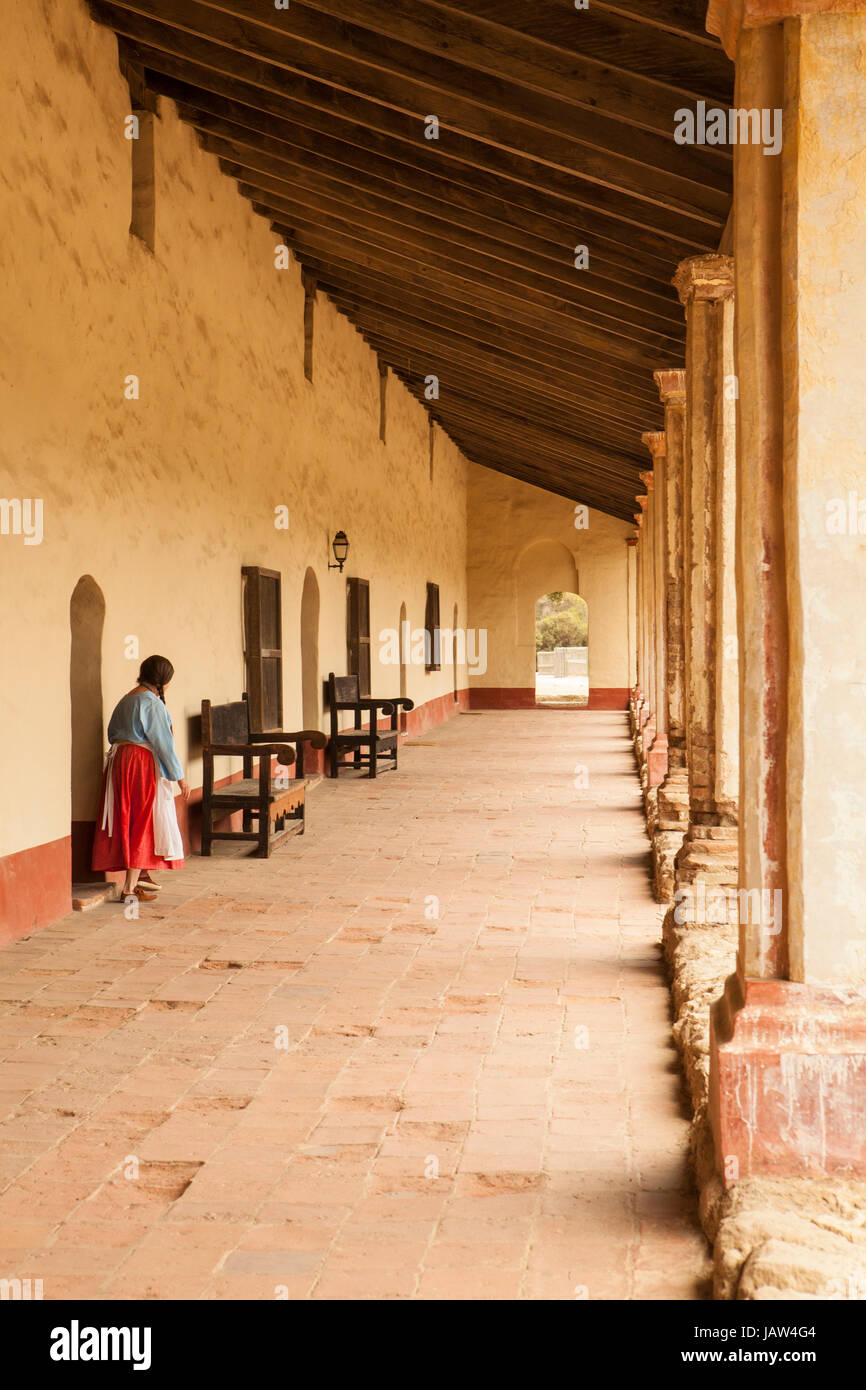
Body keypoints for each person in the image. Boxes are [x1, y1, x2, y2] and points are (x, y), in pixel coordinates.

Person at [91, 655, 190, 902]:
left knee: (126, 817)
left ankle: (141, 875)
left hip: (119, 761)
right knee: (143, 819)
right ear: (163, 680)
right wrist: (179, 777)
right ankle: (128, 888)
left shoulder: (127, 699)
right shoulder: (151, 703)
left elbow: (112, 733)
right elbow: (164, 744)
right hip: (140, 764)